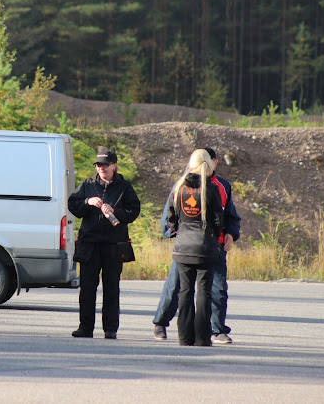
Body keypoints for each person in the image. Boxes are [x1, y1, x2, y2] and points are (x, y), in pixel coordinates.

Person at [153, 147, 241, 344]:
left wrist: (230, 233)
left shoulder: (223, 186)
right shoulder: (181, 185)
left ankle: (217, 330)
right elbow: (169, 217)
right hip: (196, 245)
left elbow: (230, 216)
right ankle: (161, 323)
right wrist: (178, 234)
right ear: (209, 163)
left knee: (217, 290)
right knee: (176, 287)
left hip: (209, 247)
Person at [68, 147, 140, 339]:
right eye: (99, 165)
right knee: (87, 288)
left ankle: (110, 329)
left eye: (105, 165)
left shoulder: (124, 187)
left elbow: (134, 212)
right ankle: (85, 328)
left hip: (113, 245)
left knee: (111, 289)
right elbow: (73, 205)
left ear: (114, 166)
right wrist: (87, 202)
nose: (101, 168)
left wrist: (115, 211)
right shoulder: (88, 185)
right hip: (89, 244)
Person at [166, 149, 223, 346]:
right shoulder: (211, 189)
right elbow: (218, 219)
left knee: (185, 291)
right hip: (204, 247)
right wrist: (214, 236)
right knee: (204, 291)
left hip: (182, 247)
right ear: (207, 164)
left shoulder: (179, 187)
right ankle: (202, 337)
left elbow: (170, 217)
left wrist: (180, 232)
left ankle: (184, 337)